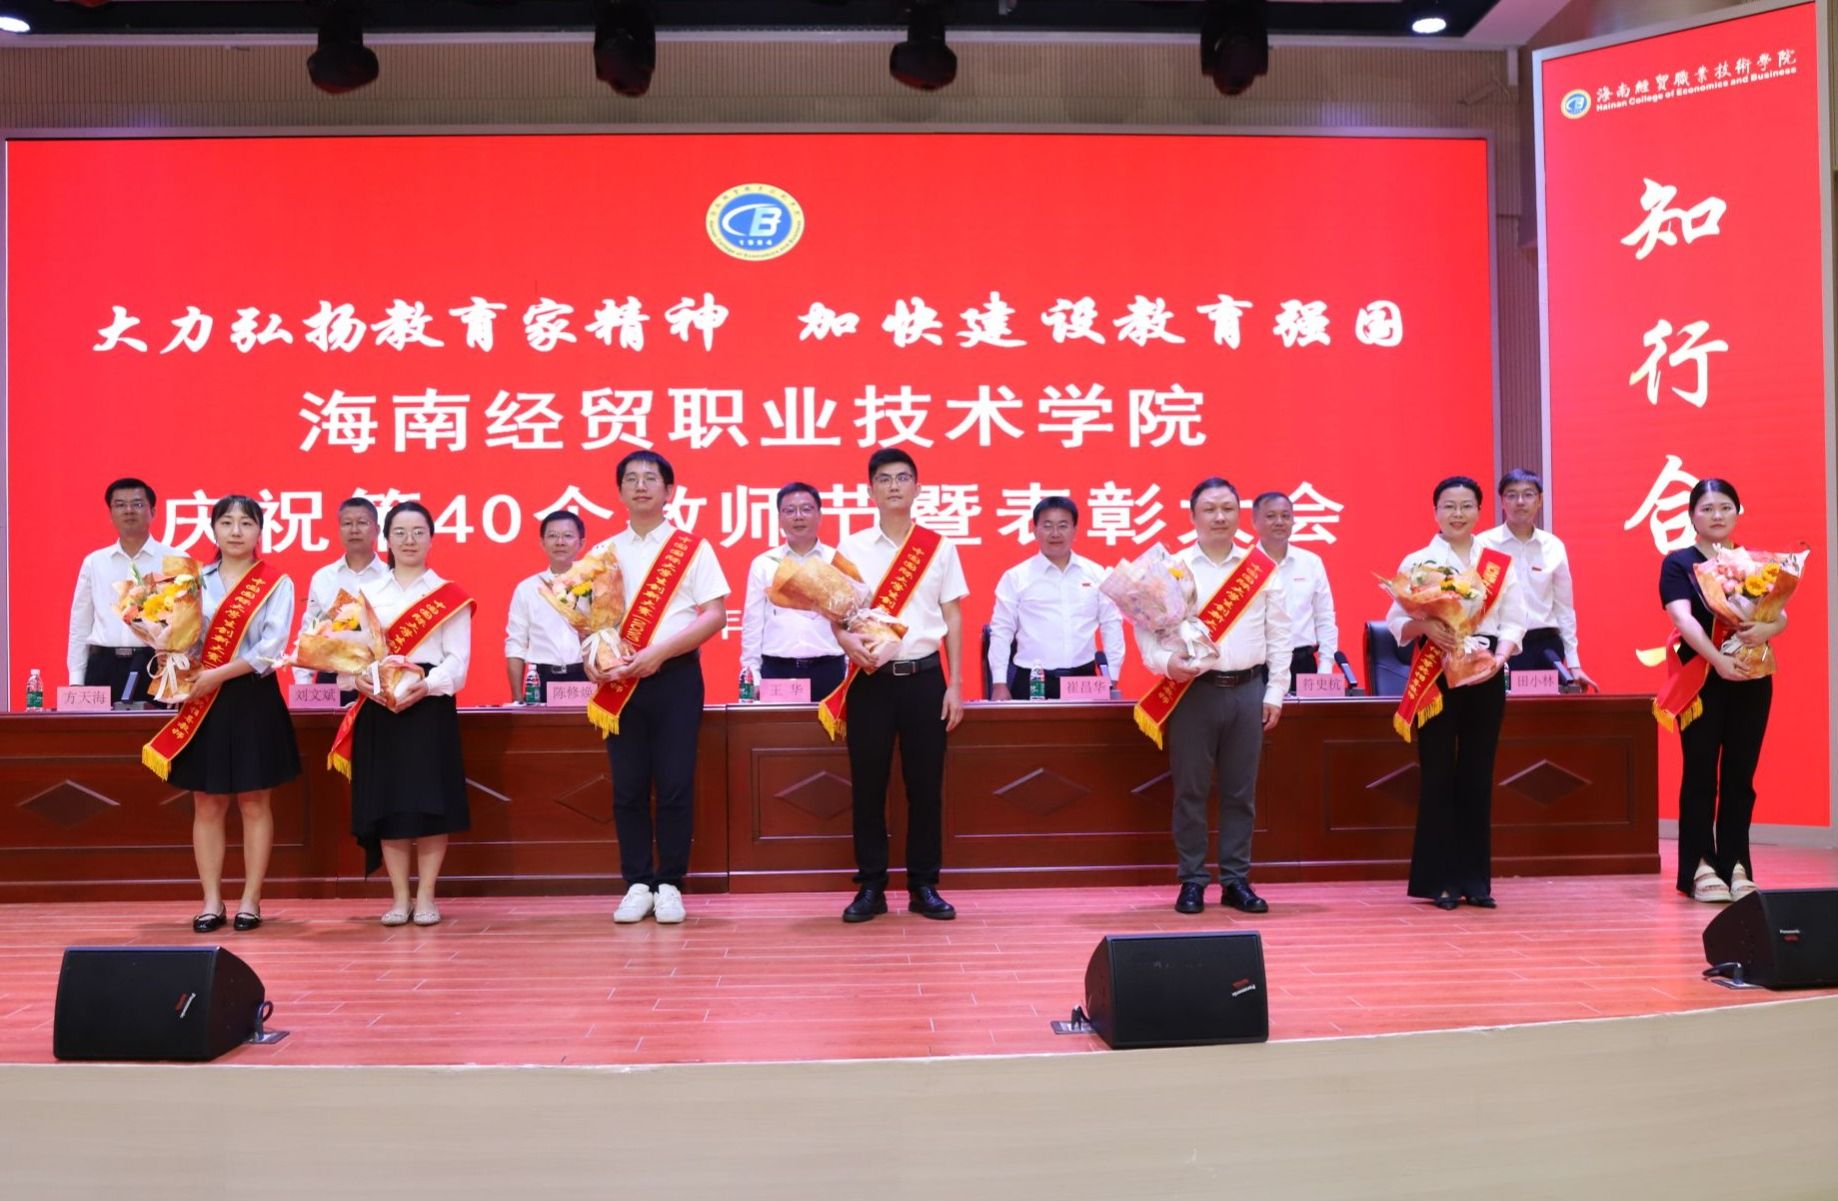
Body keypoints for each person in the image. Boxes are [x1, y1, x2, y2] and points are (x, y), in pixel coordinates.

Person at [584, 450, 729, 926]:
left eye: (651, 478)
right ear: (620, 491)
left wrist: (658, 653)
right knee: (627, 787)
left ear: (670, 491)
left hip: (676, 678)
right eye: (631, 479)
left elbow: (714, 615)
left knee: (674, 784)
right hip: (621, 682)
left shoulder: (692, 548)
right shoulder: (603, 553)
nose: (641, 486)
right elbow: (588, 623)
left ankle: (669, 883)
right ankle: (636, 883)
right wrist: (593, 659)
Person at [1135, 477, 1289, 915]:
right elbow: (1147, 632)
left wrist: (1276, 691)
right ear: (1193, 516)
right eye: (1209, 509)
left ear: (1240, 515)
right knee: (1191, 791)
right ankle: (1192, 880)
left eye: (1227, 509)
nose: (1219, 517)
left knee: (1241, 792)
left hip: (1248, 690)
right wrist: (1167, 664)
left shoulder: (1260, 568)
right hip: (1193, 692)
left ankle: (1237, 881)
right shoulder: (1173, 568)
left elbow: (1280, 634)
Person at [149, 495, 301, 933]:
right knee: (207, 801)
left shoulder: (276, 583)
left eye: (246, 523)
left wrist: (217, 675)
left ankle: (251, 899)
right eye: (227, 522)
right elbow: (180, 635)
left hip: (252, 697)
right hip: (203, 700)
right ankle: (211, 900)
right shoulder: (191, 579)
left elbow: (269, 649)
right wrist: (166, 646)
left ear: (260, 531)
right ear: (213, 529)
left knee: (255, 800)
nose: (236, 531)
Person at [831, 448, 968, 923]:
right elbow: (837, 614)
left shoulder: (939, 547)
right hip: (870, 681)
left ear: (917, 487)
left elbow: (953, 615)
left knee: (925, 788)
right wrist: (847, 643)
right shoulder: (851, 548)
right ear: (870, 490)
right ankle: (871, 886)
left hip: (925, 679)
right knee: (867, 787)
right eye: (885, 479)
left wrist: (956, 684)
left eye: (903, 478)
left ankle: (923, 885)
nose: (894, 486)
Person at [1385, 475, 1525, 910]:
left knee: (1478, 774)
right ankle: (1438, 881)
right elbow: (1395, 621)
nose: (1457, 514)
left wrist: (1500, 657)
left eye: (1466, 506)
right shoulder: (1419, 560)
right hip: (1437, 675)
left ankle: (1475, 880)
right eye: (1449, 506)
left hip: (1485, 673)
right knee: (1438, 775)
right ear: (1436, 511)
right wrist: (1426, 626)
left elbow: (1515, 620)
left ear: (1480, 511)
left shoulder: (1498, 563)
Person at [337, 501, 474, 927]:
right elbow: (345, 653)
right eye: (400, 532)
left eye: (418, 532)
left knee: (431, 806)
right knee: (389, 804)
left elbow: (458, 661)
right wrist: (357, 680)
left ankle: (427, 895)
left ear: (431, 538)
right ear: (387, 539)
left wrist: (426, 685)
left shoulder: (449, 594)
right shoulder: (366, 594)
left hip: (428, 704)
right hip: (379, 706)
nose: (409, 540)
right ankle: (399, 897)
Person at [1658, 479, 1783, 903]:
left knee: (1740, 776)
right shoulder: (1679, 563)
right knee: (1700, 774)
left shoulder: (1754, 563)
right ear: (1692, 515)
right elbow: (1683, 618)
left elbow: (1779, 614)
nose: (1717, 515)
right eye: (1707, 508)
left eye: (1725, 507)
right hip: (1702, 679)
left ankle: (1736, 863)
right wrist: (1717, 659)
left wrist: (1767, 628)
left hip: (1751, 677)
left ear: (1737, 512)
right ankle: (1699, 865)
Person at [987, 496, 1125, 701]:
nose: (1055, 533)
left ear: (1075, 530)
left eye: (1063, 526)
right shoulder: (1016, 577)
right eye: (1047, 526)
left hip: (1083, 680)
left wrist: (1112, 678)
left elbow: (1111, 625)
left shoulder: (1096, 574)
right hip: (1032, 680)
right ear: (1035, 530)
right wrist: (999, 683)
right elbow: (1001, 631)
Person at [1478, 469, 1597, 689]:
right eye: (1512, 495)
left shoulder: (1553, 546)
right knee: (1499, 710)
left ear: (1540, 500)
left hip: (1544, 647)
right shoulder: (1484, 545)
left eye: (1528, 494)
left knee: (1542, 710)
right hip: (1497, 647)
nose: (1520, 501)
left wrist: (1574, 664)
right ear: (1502, 501)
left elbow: (1564, 609)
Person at [68, 477, 178, 704]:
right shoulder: (95, 562)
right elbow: (80, 626)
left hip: (156, 665)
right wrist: (76, 680)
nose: (129, 511)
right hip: (103, 667)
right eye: (120, 505)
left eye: (137, 504)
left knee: (158, 727)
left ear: (153, 512)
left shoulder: (176, 560)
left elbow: (188, 626)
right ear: (110, 514)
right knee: (99, 730)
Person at [738, 482, 848, 701]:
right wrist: (753, 675)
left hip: (830, 669)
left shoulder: (837, 560)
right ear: (779, 518)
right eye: (789, 510)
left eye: (806, 509)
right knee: (780, 726)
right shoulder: (765, 563)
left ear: (819, 515)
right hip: (777, 670)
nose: (798, 516)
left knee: (833, 726)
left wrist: (848, 672)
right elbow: (753, 624)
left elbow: (850, 622)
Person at [293, 496, 389, 704]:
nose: (354, 529)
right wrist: (304, 687)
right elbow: (309, 633)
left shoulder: (391, 576)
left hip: (379, 679)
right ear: (339, 530)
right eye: (347, 523)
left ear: (377, 529)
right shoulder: (323, 578)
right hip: (331, 679)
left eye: (362, 522)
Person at [1249, 490, 1339, 685]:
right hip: (1256, 667)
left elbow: (1324, 617)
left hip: (1302, 664)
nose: (1279, 522)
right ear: (1254, 522)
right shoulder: (1244, 565)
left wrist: (1325, 666)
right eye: (1270, 516)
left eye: (1285, 516)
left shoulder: (1311, 562)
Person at [505, 510, 592, 703]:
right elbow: (516, 645)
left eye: (567, 536)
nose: (560, 542)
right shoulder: (527, 588)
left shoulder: (596, 584)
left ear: (581, 543)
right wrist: (517, 698)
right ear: (542, 543)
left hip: (587, 677)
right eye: (552, 536)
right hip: (541, 680)